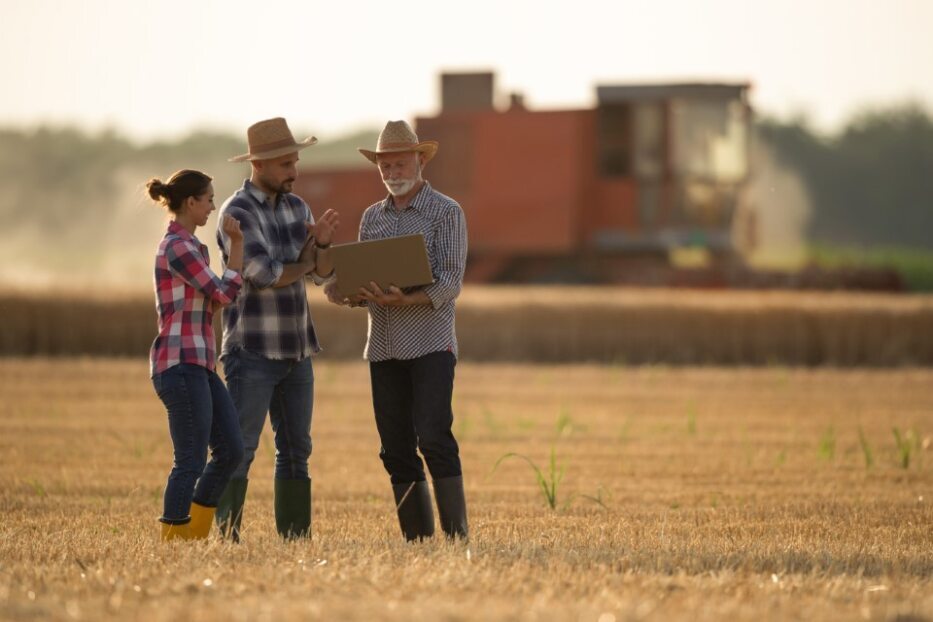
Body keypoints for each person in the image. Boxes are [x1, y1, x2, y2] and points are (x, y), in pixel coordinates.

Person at [326, 120, 468, 541]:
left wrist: (406, 300)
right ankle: (418, 541)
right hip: (383, 349)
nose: (392, 172)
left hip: (430, 345)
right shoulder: (371, 217)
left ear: (420, 161)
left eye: (400, 163)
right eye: (384, 165)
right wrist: (350, 293)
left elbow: (450, 281)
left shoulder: (447, 212)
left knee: (434, 437)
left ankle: (457, 537)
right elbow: (363, 279)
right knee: (394, 449)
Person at [214, 117, 339, 540]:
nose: (294, 170)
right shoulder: (236, 212)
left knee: (297, 451)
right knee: (240, 448)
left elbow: (320, 276)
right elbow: (265, 274)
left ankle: (295, 538)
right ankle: (226, 535)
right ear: (261, 165)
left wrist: (320, 244)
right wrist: (305, 265)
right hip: (251, 350)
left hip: (297, 348)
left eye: (295, 160)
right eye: (286, 163)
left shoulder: (298, 208)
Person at [147, 169, 245, 542]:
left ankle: (193, 535)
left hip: (199, 363)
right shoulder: (179, 247)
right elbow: (223, 294)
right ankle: (174, 541)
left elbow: (210, 305)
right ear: (190, 202)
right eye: (208, 199)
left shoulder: (190, 247)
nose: (213, 207)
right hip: (179, 363)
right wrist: (236, 245)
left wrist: (221, 290)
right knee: (189, 459)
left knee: (231, 450)